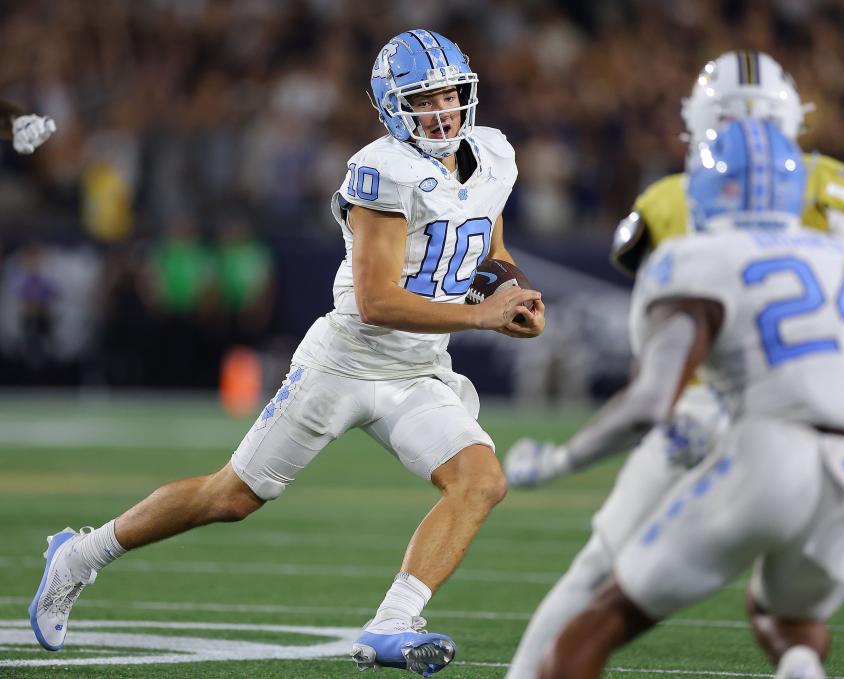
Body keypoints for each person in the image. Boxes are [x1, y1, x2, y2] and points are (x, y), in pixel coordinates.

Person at [28, 29, 545, 677]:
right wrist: (482, 317)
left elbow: (486, 249)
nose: (441, 110)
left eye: (450, 94)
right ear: (390, 107)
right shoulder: (381, 170)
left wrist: (513, 291)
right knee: (232, 496)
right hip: (347, 361)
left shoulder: (492, 153)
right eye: (424, 98)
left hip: (418, 367)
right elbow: (378, 300)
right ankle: (80, 554)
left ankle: (390, 623)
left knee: (479, 480)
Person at [503, 51, 844, 679]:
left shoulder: (673, 197)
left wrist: (557, 461)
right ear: (791, 116)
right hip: (842, 428)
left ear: (701, 124)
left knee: (601, 575)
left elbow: (658, 338)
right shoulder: (835, 188)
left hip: (712, 407)